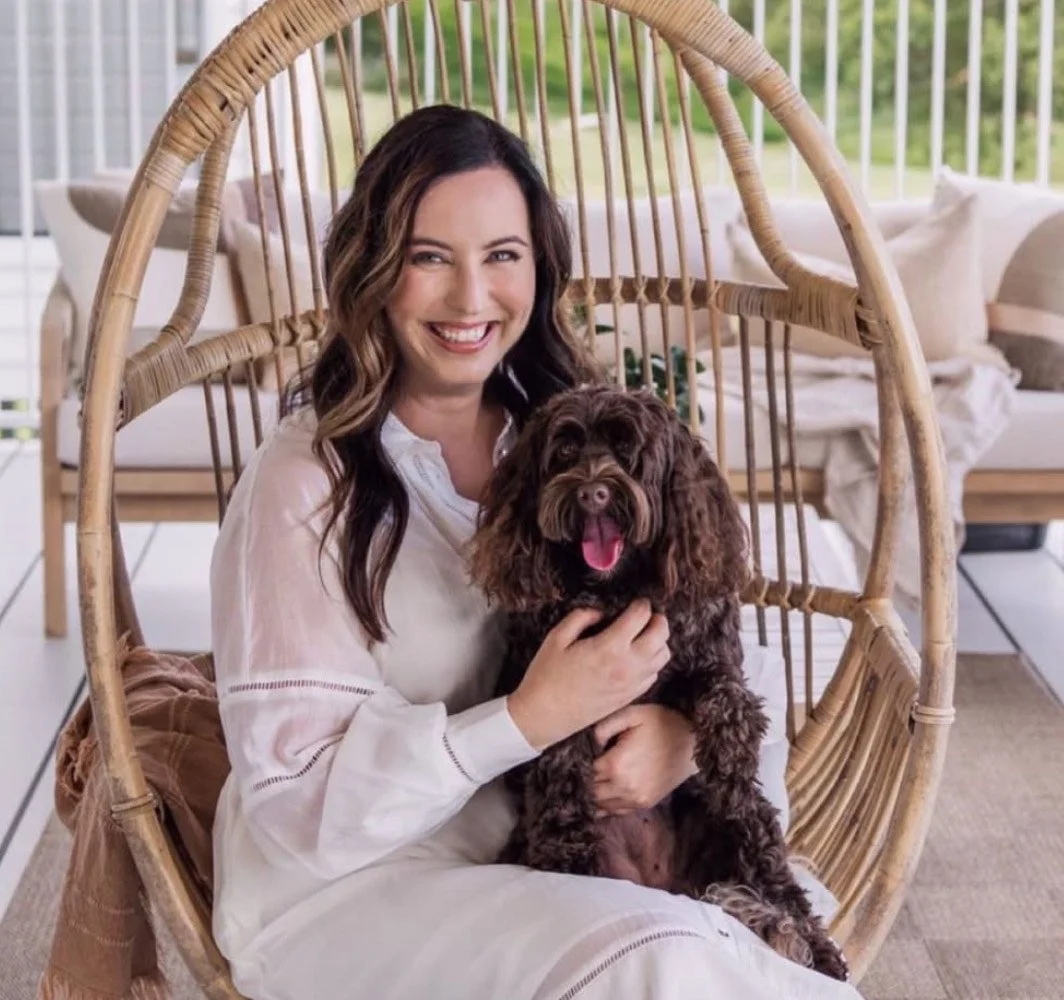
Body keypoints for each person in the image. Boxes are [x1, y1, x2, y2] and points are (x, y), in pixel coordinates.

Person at [209, 104, 863, 1000]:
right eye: (428, 257)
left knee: (750, 941)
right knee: (671, 956)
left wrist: (681, 741)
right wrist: (527, 718)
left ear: (540, 267)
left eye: (502, 257)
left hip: (559, 868)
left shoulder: (573, 443)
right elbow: (293, 806)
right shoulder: (305, 486)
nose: (470, 299)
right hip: (358, 890)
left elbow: (724, 647)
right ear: (371, 270)